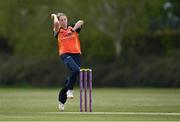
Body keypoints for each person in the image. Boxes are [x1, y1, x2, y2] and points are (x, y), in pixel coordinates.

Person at [51, 12, 84, 111]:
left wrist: (73, 30)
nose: (63, 22)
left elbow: (81, 22)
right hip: (65, 54)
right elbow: (56, 24)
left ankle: (61, 100)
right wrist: (54, 16)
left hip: (77, 54)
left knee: (71, 77)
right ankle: (70, 90)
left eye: (65, 19)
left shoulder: (72, 28)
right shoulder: (58, 31)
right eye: (61, 20)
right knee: (76, 70)